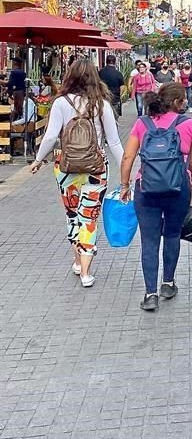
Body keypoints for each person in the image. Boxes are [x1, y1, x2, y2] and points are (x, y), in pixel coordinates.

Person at [29, 60, 125, 288]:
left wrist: (38, 159)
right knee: (89, 218)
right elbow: (114, 142)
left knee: (72, 215)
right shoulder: (101, 104)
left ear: (70, 77)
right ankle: (86, 272)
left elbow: (51, 137)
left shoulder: (60, 103)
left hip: (66, 168)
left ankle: (77, 261)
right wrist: (126, 170)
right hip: (96, 168)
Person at [119, 83, 192, 312]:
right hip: (178, 188)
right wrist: (190, 179)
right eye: (183, 99)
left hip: (146, 189)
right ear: (176, 102)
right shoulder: (188, 124)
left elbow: (128, 158)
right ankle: (168, 283)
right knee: (172, 234)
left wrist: (125, 185)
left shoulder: (142, 123)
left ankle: (150, 294)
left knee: (149, 240)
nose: (186, 103)